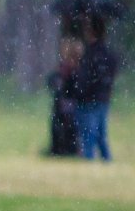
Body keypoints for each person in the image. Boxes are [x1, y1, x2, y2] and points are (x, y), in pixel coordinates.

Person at [70, 14, 119, 162]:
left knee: (88, 135)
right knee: (100, 134)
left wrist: (79, 91)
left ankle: (89, 160)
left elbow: (86, 78)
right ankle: (106, 160)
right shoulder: (109, 53)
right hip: (103, 98)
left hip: (89, 99)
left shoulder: (90, 54)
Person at [47, 36, 83, 157]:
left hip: (70, 104)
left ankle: (68, 149)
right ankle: (59, 148)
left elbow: (75, 86)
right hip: (62, 104)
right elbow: (52, 81)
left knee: (70, 128)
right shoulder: (63, 68)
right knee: (59, 127)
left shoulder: (76, 69)